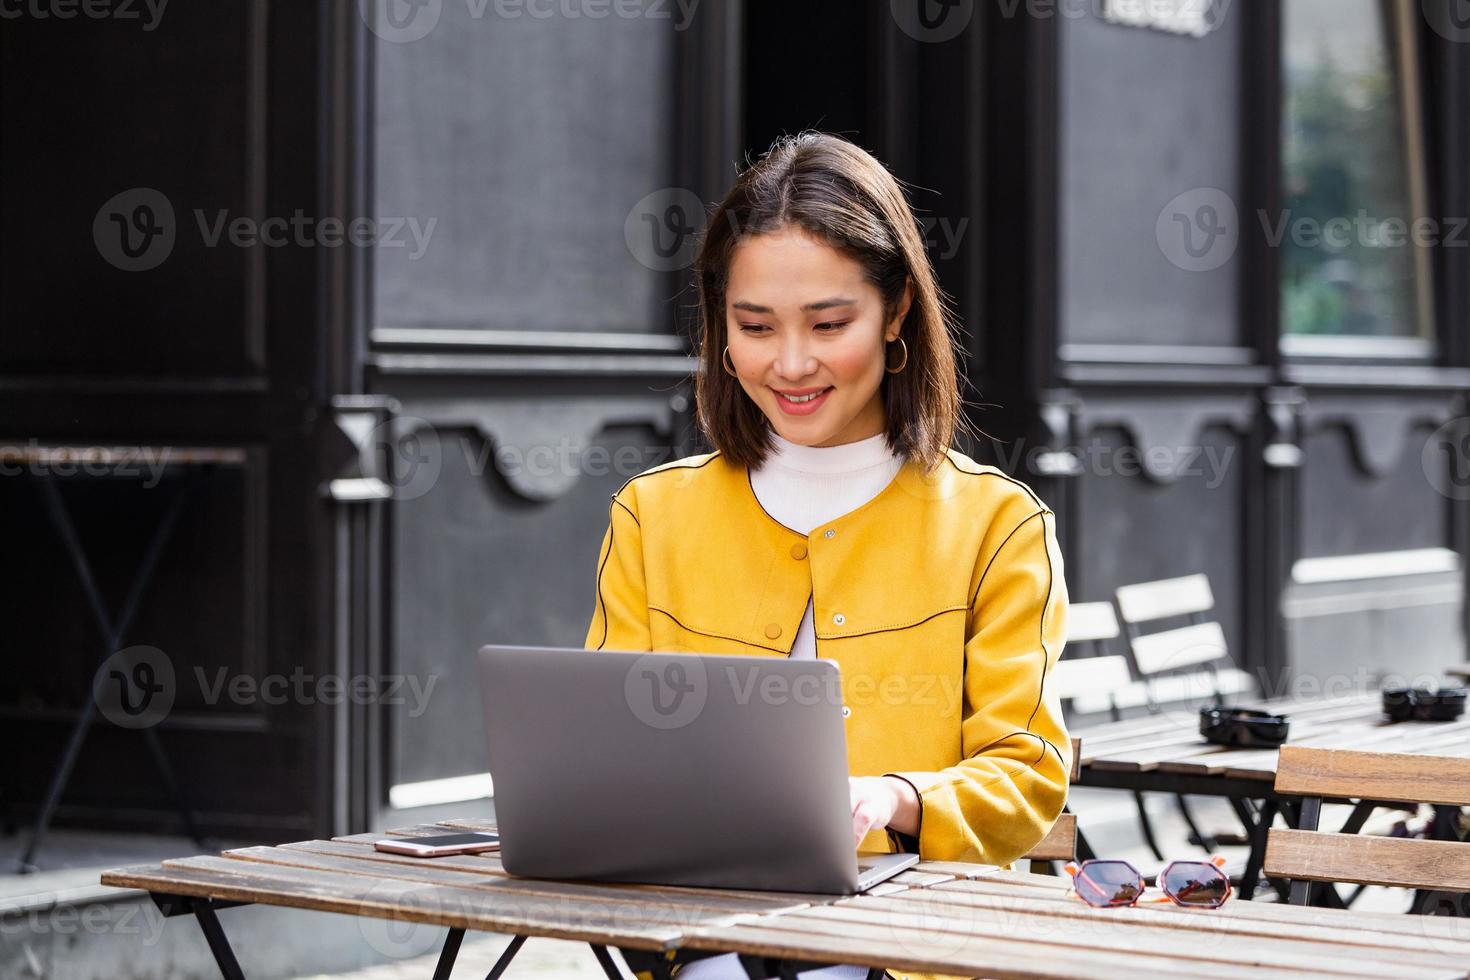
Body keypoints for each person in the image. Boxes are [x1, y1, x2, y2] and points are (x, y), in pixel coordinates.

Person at [584, 131, 1071, 980]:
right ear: (720, 329)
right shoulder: (652, 514)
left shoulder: (997, 524)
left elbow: (1027, 773)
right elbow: (600, 752)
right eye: (755, 325)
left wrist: (897, 797)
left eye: (830, 323)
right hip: (705, 936)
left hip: (912, 948)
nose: (793, 362)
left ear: (897, 315)